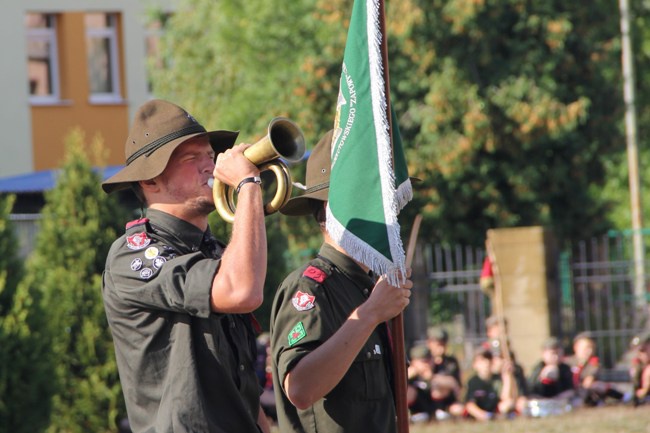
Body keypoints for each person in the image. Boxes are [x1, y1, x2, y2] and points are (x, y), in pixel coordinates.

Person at [101, 99, 270, 433]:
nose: (211, 166)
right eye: (192, 159)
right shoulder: (132, 255)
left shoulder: (220, 253)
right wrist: (249, 186)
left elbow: (239, 387)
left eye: (210, 155)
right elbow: (242, 292)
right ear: (150, 181)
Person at [269, 130, 413, 433]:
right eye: (371, 198)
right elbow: (301, 388)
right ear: (332, 210)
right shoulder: (310, 288)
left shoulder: (371, 287)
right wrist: (370, 314)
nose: (389, 211)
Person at [565, 332, 624, 406]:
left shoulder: (593, 363)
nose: (589, 351)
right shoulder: (566, 362)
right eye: (586, 348)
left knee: (598, 386)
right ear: (576, 347)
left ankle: (622, 397)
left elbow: (588, 382)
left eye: (592, 348)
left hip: (584, 391)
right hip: (568, 391)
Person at [463, 348, 516, 421]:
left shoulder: (497, 379)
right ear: (474, 365)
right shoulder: (473, 382)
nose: (486, 363)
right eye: (482, 360)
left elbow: (505, 398)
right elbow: (469, 404)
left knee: (508, 403)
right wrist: (484, 416)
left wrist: (507, 376)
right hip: (480, 411)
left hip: (493, 410)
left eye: (488, 359)